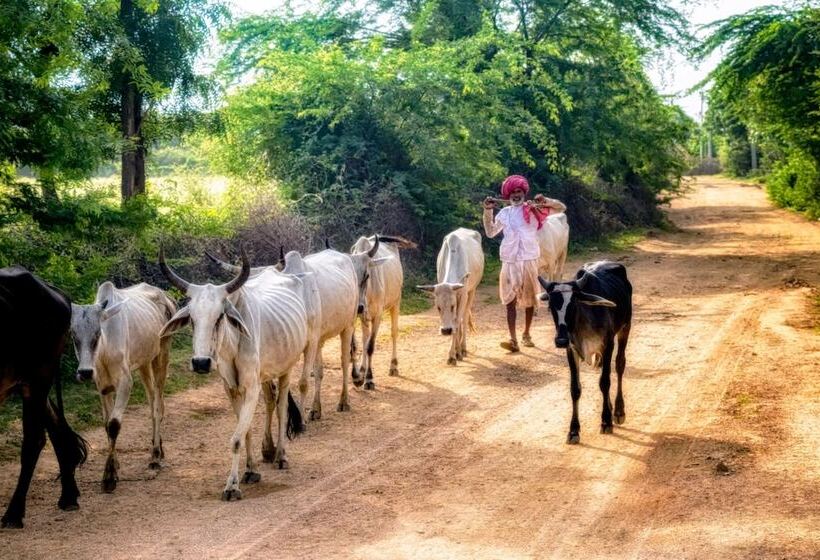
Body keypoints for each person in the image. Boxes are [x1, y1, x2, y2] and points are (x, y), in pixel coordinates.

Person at [483, 175, 566, 352]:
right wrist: (488, 211)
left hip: (529, 259)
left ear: (524, 192)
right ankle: (513, 339)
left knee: (529, 300)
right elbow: (490, 232)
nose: (516, 195)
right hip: (509, 261)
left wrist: (545, 200)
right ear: (508, 195)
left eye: (519, 191)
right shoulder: (504, 213)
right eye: (513, 192)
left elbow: (561, 208)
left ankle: (527, 334)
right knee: (510, 301)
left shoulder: (534, 209)